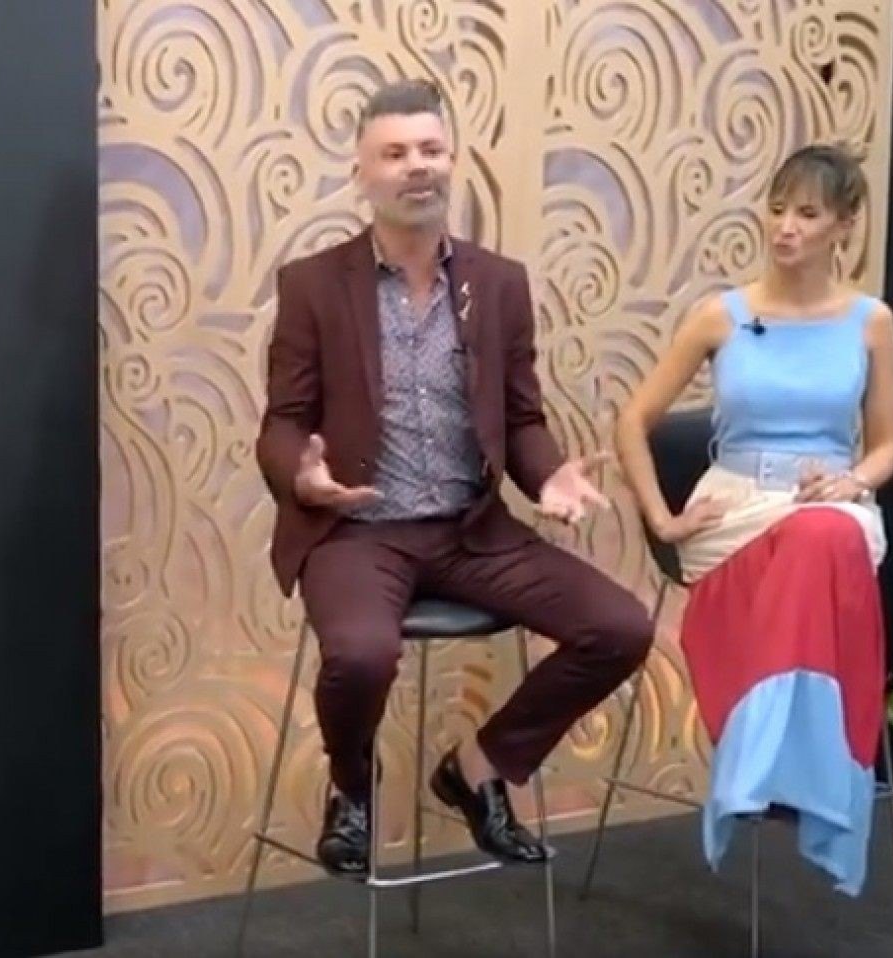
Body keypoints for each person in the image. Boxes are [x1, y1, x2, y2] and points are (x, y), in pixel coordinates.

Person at [257, 79, 654, 879]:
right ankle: (352, 788)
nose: (416, 165)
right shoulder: (313, 284)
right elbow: (284, 421)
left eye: (430, 149)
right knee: (361, 656)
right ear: (362, 174)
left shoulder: (498, 283)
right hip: (358, 531)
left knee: (621, 627)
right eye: (395, 153)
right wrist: (303, 476)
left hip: (471, 530)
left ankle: (478, 768)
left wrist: (548, 478)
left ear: (453, 162)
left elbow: (522, 417)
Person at [613, 143, 893, 896]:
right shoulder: (722, 315)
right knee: (819, 545)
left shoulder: (871, 322)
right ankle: (810, 781)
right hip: (735, 510)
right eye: (776, 209)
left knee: (823, 533)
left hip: (827, 504)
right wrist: (661, 518)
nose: (785, 227)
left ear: (844, 224)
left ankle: (754, 765)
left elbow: (888, 445)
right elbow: (633, 420)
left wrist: (852, 480)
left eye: (806, 213)